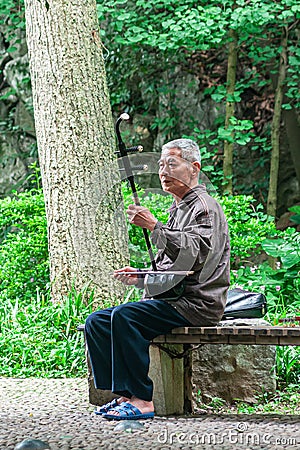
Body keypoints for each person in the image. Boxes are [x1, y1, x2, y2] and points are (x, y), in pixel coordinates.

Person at [84, 138, 230, 420]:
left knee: (125, 318)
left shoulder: (203, 206)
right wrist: (142, 277)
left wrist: (154, 226)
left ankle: (143, 400)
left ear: (194, 168)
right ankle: (124, 394)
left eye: (172, 163)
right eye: (161, 164)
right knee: (98, 321)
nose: (163, 171)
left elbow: (196, 254)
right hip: (175, 299)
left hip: (195, 303)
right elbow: (174, 263)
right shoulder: (179, 207)